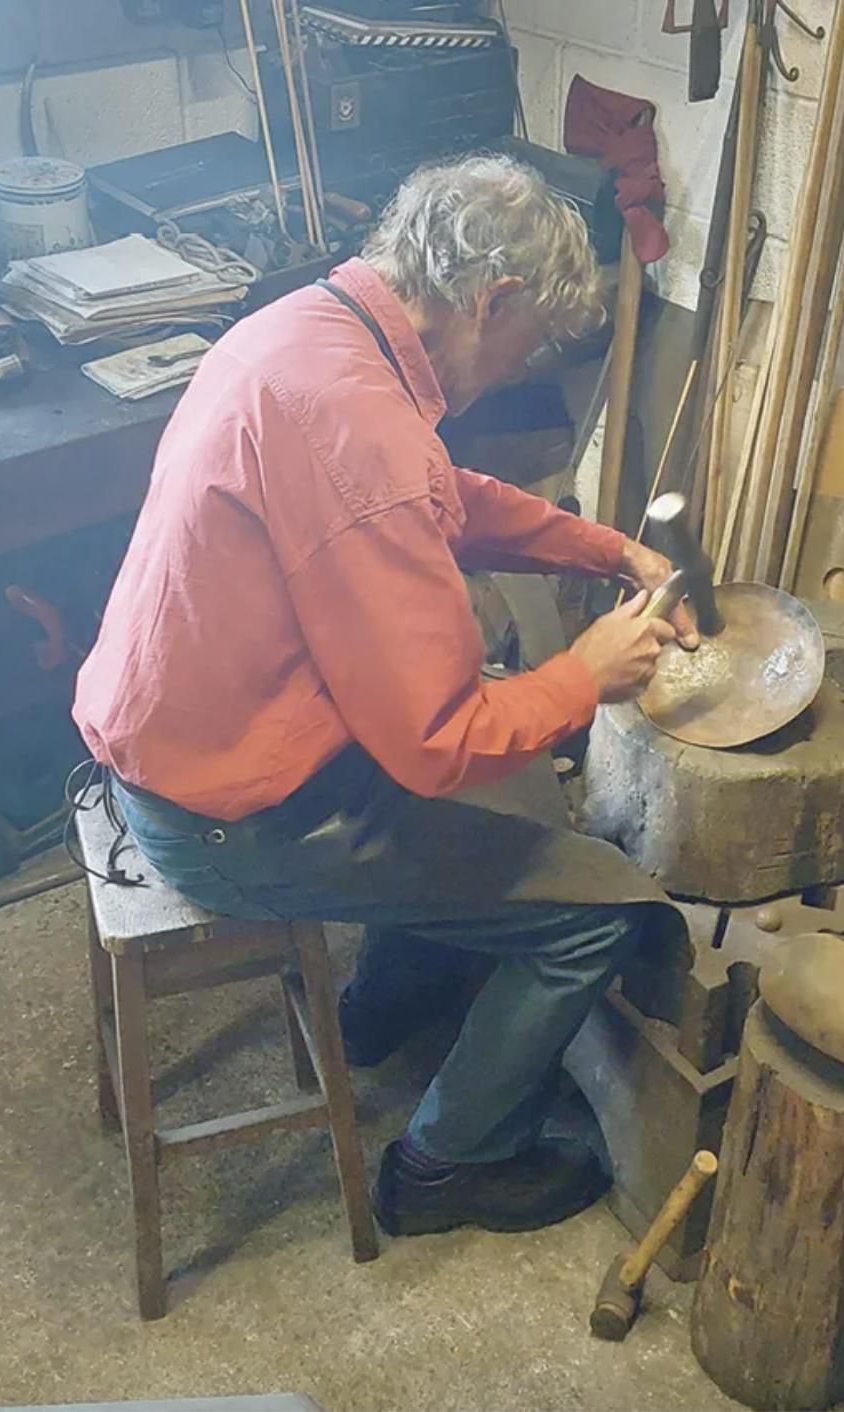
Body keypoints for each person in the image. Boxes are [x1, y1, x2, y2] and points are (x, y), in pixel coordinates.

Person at [74, 155, 696, 1238]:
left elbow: (438, 494)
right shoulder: (356, 427)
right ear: (490, 300)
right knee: (592, 913)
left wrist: (600, 548)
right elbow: (434, 742)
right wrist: (582, 675)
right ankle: (448, 1163)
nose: (517, 369)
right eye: (528, 342)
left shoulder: (308, 331)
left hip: (178, 742)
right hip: (230, 816)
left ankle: (376, 1010)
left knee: (490, 775)